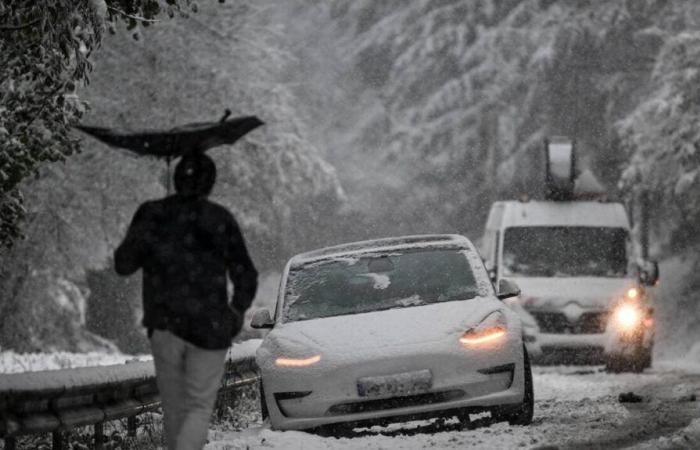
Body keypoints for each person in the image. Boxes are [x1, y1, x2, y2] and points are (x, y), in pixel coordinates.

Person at [114, 153, 258, 450]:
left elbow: (123, 264)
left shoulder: (151, 214)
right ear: (210, 184)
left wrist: (150, 232)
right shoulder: (219, 218)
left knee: (174, 408)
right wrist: (236, 311)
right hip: (211, 328)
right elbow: (246, 273)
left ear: (176, 179)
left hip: (165, 326)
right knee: (198, 407)